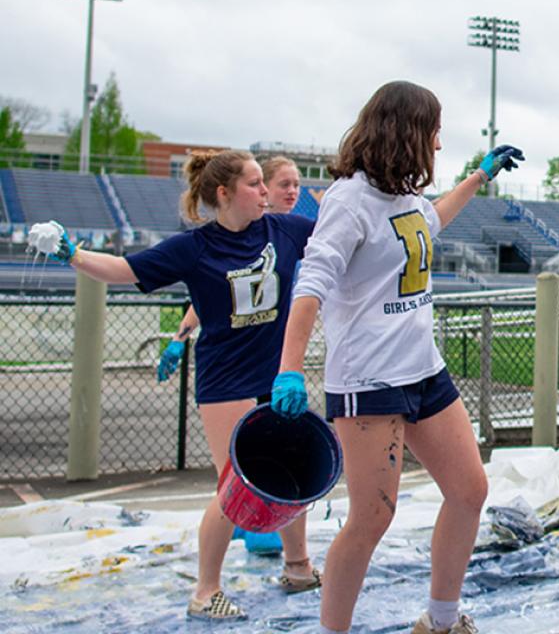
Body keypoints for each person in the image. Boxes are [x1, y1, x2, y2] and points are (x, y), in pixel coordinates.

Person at [272, 80, 524, 634]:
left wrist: (480, 176)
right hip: (369, 380)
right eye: (433, 131)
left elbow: (429, 221)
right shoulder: (348, 199)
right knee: (371, 517)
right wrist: (290, 366)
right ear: (407, 132)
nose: (438, 144)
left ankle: (440, 619)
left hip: (423, 370)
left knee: (469, 490)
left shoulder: (403, 197)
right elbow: (311, 282)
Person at [40, 149, 322, 621]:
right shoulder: (195, 247)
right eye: (255, 185)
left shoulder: (287, 230)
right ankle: (205, 591)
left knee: (289, 478)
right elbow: (126, 271)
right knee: (237, 488)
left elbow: (342, 241)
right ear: (223, 194)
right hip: (225, 381)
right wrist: (73, 254)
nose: (266, 193)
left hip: (277, 376)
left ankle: (299, 567)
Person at [154, 155, 304, 557]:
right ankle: (241, 533)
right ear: (262, 190)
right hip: (237, 369)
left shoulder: (291, 231)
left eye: (298, 184)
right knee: (240, 469)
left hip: (276, 365)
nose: (293, 191)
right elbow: (217, 296)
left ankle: (293, 556)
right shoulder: (242, 234)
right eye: (283, 184)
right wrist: (179, 337)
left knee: (284, 460)